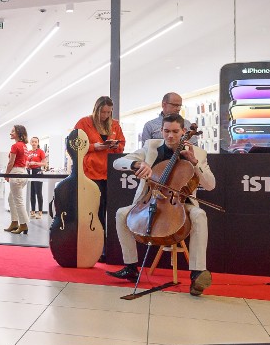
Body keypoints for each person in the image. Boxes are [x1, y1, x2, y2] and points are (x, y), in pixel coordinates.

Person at [106, 113, 215, 296]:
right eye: (166, 131)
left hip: (179, 204)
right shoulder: (151, 147)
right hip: (151, 200)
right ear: (161, 131)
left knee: (199, 215)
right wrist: (136, 165)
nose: (170, 136)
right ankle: (131, 267)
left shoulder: (199, 153)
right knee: (121, 213)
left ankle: (197, 274)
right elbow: (118, 162)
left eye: (175, 131)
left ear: (183, 132)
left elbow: (210, 185)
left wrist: (195, 163)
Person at [74, 96, 125, 231]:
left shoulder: (114, 124)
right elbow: (74, 145)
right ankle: (93, 238)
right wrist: (93, 147)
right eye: (103, 112)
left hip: (109, 173)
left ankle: (106, 241)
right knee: (94, 208)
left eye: (109, 112)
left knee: (109, 208)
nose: (106, 115)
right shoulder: (84, 123)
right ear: (96, 110)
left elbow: (122, 143)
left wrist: (115, 146)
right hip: (91, 173)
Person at [3, 125, 29, 235]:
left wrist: (6, 174)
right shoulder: (24, 146)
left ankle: (23, 225)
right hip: (23, 173)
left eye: (13, 131)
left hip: (16, 173)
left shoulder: (15, 146)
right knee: (11, 199)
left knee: (18, 201)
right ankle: (14, 222)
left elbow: (11, 162)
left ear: (18, 133)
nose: (11, 133)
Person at [27, 136, 47, 219]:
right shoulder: (29, 152)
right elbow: (26, 161)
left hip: (38, 172)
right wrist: (27, 163)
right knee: (31, 192)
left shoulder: (41, 152)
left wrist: (35, 163)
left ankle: (40, 212)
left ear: (38, 143)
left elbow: (44, 164)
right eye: (33, 142)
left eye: (35, 142)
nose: (34, 143)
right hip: (30, 172)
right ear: (30, 143)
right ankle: (32, 211)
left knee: (38, 192)